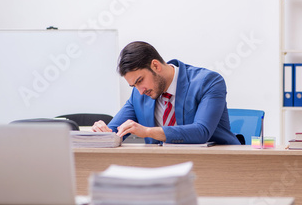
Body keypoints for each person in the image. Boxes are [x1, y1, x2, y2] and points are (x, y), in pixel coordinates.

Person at [92, 41, 240, 145]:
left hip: (216, 165)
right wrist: (103, 134)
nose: (140, 90)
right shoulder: (139, 94)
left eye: (140, 80)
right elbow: (114, 134)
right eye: (134, 86)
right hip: (161, 169)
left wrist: (148, 132)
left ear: (155, 66)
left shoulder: (208, 82)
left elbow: (201, 132)